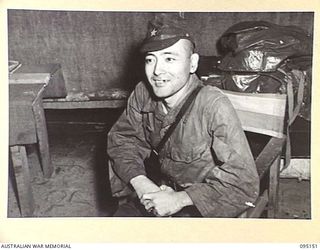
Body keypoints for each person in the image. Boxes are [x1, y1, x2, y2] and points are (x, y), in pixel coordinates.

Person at [107, 15, 259, 217]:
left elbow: (243, 185)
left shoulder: (213, 106)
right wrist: (141, 183)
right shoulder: (143, 92)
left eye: (170, 58)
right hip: (156, 189)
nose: (157, 71)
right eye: (150, 59)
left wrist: (180, 200)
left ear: (193, 63)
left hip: (202, 205)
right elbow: (122, 140)